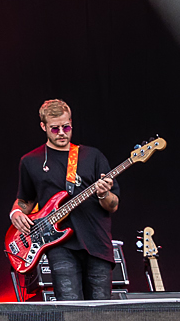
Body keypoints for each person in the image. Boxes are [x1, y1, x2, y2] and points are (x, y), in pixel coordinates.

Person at [11, 98, 119, 301]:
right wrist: (16, 213)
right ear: (43, 126)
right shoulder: (30, 161)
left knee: (102, 310)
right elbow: (24, 201)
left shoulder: (93, 156)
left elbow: (113, 206)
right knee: (70, 307)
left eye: (66, 126)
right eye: (54, 128)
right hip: (60, 246)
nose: (62, 132)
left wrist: (104, 193)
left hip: (97, 242)